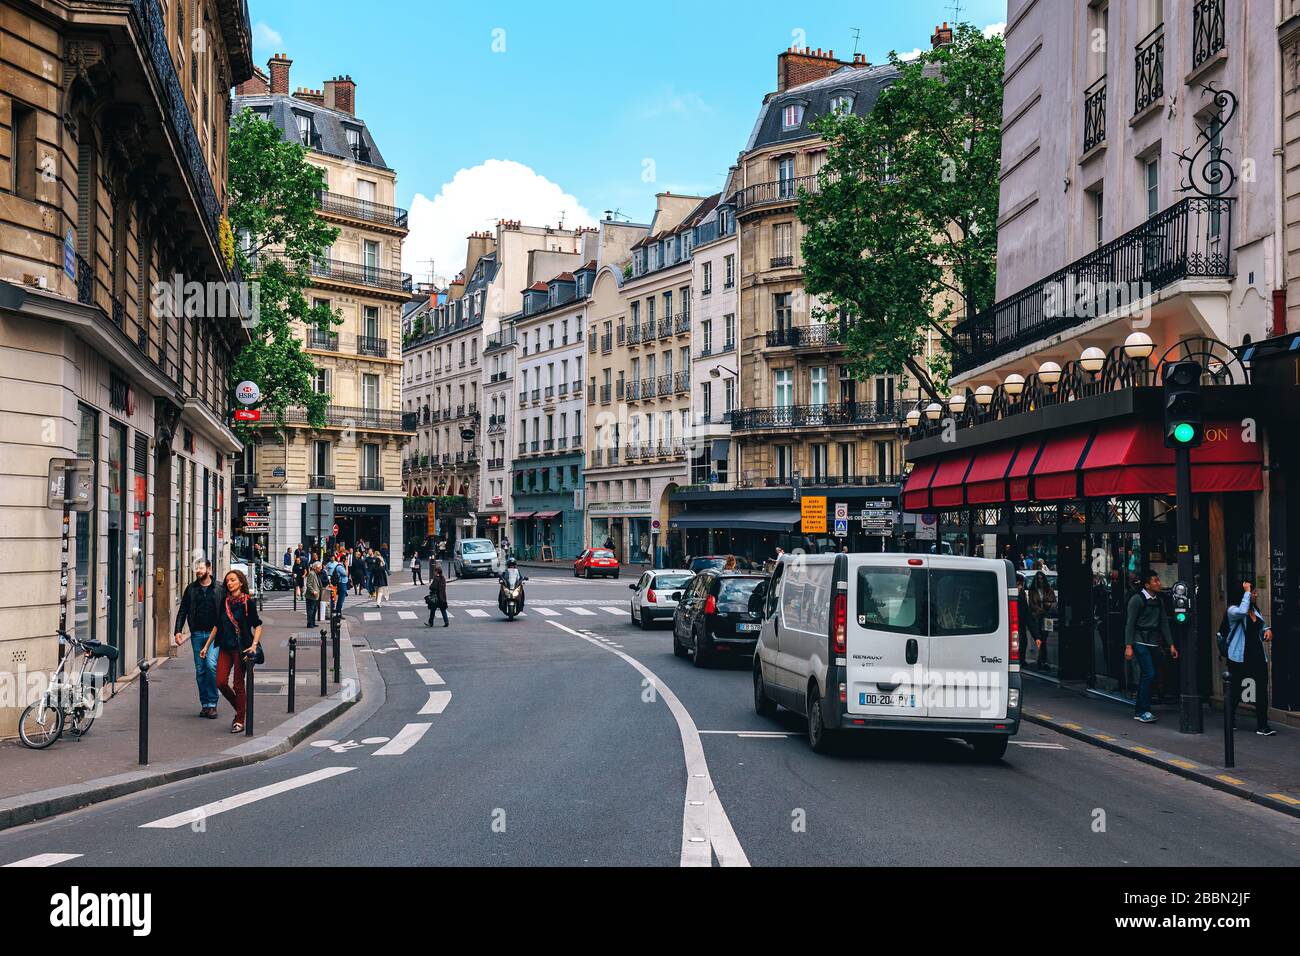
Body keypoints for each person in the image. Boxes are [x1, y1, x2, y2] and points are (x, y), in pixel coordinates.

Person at [199, 569, 262, 734]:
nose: (229, 583)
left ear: (240, 582)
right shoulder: (225, 602)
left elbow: (258, 625)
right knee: (220, 682)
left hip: (241, 649)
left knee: (238, 684)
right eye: (227, 581)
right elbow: (217, 625)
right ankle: (241, 708)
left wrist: (254, 645)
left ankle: (239, 720)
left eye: (233, 580)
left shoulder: (248, 602)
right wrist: (206, 646)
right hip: (225, 647)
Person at [1124, 570, 1179, 723]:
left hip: (1153, 641)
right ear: (1147, 585)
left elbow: (1164, 623)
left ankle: (1140, 709)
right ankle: (1143, 710)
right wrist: (1128, 645)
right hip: (1139, 640)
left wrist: (1171, 645)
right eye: (1155, 581)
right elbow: (1130, 624)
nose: (1159, 583)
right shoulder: (1137, 600)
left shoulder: (1159, 601)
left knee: (1148, 675)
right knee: (1149, 673)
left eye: (1158, 580)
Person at [1225, 582, 1276, 735]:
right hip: (1239, 657)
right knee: (1235, 689)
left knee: (1261, 691)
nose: (1255, 595)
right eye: (1253, 592)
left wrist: (1267, 630)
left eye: (1253, 592)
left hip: (1257, 656)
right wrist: (1246, 591)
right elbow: (1242, 612)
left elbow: (1261, 626)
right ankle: (1230, 719)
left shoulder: (1255, 610)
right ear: (1244, 595)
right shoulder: (1232, 610)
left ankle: (1262, 726)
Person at [173, 559, 221, 719]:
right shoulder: (191, 589)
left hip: (214, 635)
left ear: (209, 569)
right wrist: (178, 631)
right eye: (197, 568)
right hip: (197, 634)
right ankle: (205, 704)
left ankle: (213, 703)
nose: (198, 571)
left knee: (211, 665)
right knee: (200, 670)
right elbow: (183, 610)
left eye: (201, 568)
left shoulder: (219, 589)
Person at [1027, 570, 1057, 670]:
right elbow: (1031, 604)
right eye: (1038, 579)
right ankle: (1042, 660)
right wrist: (1040, 610)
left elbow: (1054, 602)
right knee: (1039, 637)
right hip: (1037, 616)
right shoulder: (1032, 591)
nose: (1040, 581)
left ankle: (1042, 660)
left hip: (1047, 617)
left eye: (1042, 579)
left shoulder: (1049, 590)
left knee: (1045, 638)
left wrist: (1049, 605)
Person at [304, 560, 323, 628]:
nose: (320, 569)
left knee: (314, 610)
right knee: (310, 610)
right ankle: (309, 623)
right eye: (319, 568)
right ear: (315, 568)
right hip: (311, 596)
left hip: (316, 596)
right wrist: (313, 591)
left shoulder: (316, 574)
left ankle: (313, 622)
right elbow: (308, 584)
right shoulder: (311, 574)